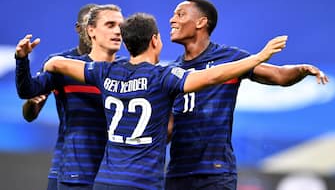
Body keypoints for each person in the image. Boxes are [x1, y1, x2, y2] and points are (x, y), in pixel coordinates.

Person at [42, 12, 287, 190]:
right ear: (155, 40)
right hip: (142, 182)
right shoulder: (163, 76)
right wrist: (258, 57)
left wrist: (50, 62)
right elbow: (211, 76)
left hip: (105, 180)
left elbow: (62, 64)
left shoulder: (106, 72)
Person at [165, 0, 329, 190]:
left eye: (180, 14)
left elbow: (278, 75)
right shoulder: (173, 71)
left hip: (215, 172)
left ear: (201, 22)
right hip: (177, 172)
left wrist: (301, 70)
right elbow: (168, 127)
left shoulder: (229, 59)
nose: (172, 20)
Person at [15, 4, 125, 190]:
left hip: (117, 173)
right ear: (90, 30)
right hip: (75, 170)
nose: (118, 32)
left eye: (121, 26)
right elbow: (27, 92)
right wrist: (22, 60)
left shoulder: (128, 70)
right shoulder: (62, 66)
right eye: (110, 25)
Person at [21, 3, 97, 122]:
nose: (93, 30)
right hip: (72, 139)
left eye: (98, 25)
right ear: (78, 28)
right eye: (89, 24)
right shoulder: (57, 63)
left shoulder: (114, 64)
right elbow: (30, 115)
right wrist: (31, 102)